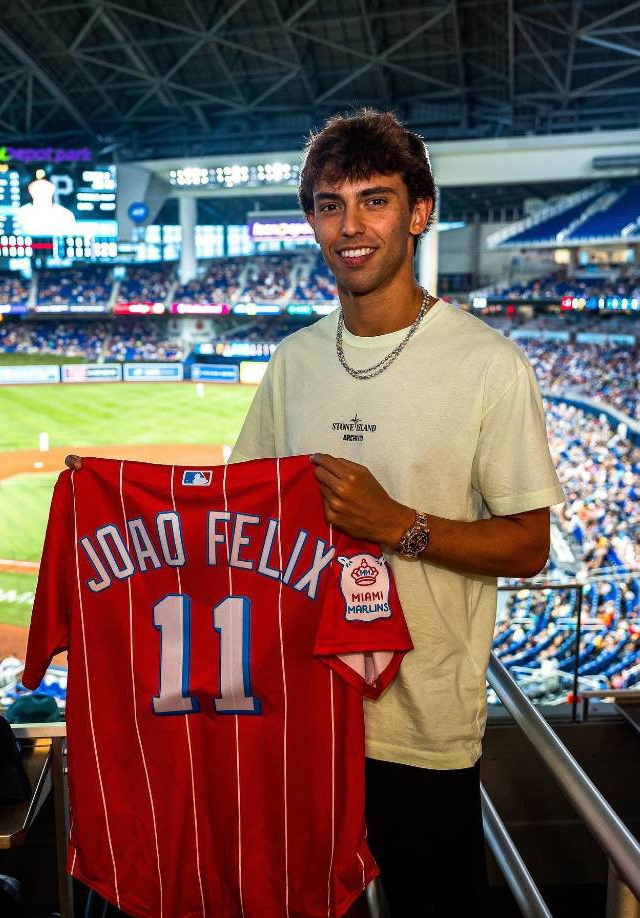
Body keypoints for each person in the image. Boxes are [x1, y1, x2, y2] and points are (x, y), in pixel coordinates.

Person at [228, 109, 565, 915]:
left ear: (419, 213)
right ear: (310, 220)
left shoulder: (488, 364)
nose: (350, 226)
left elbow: (529, 545)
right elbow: (244, 509)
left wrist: (398, 525)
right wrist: (116, 490)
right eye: (328, 204)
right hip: (304, 713)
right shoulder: (294, 361)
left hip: (423, 729)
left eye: (374, 201)